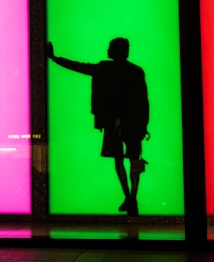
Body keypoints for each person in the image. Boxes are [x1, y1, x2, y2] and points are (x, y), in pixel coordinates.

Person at [47, 39, 149, 215]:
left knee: (118, 159)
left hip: (112, 122)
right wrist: (144, 124)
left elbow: (80, 67)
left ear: (112, 51)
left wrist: (55, 58)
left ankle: (129, 197)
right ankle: (132, 197)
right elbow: (143, 101)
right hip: (133, 123)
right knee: (134, 159)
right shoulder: (136, 71)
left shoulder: (104, 68)